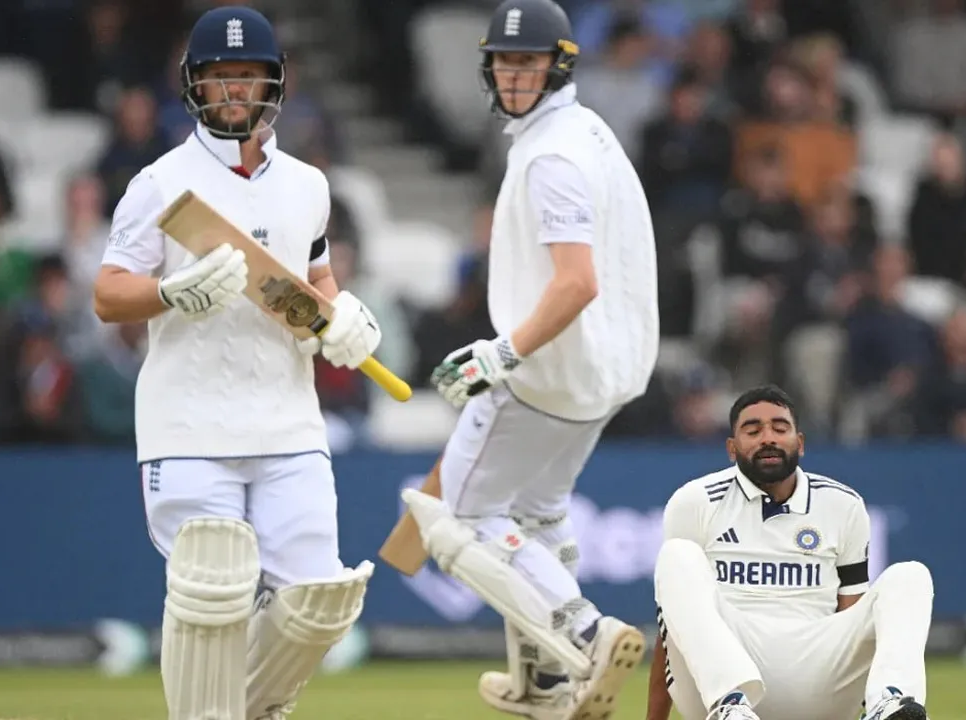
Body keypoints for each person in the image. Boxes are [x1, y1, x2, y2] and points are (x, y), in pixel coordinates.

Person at [90, 7, 381, 719]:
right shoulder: (159, 184)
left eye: (246, 76)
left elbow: (315, 281)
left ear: (274, 83)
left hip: (288, 421)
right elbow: (107, 294)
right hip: (189, 425)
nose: (232, 90)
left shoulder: (308, 185)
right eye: (219, 77)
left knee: (317, 603)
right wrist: (169, 293)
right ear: (193, 85)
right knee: (212, 594)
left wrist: (343, 318)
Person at [399, 0, 660, 717]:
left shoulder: (552, 157)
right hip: (600, 376)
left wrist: (500, 354)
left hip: (545, 373)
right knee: (539, 517)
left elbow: (577, 282)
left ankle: (586, 634)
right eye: (504, 62)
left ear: (559, 66)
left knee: (455, 518)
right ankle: (541, 684)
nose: (514, 75)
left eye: (528, 62)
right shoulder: (587, 131)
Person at [648, 385, 933, 720]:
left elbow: (853, 619)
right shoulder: (696, 501)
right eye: (753, 430)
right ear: (731, 448)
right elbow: (675, 627)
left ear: (800, 443)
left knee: (910, 575)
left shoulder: (843, 504)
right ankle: (730, 706)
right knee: (677, 555)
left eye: (780, 428)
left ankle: (890, 702)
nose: (767, 438)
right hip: (727, 672)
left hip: (817, 674)